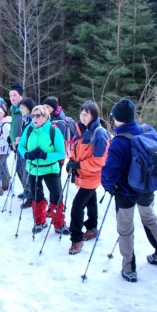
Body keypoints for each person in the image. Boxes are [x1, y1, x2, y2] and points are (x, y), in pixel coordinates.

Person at [101, 98, 157, 283]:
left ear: (117, 118)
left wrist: (110, 188)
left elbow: (109, 171)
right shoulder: (147, 131)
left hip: (125, 192)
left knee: (125, 228)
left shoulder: (119, 142)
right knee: (149, 218)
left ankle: (129, 267)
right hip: (147, 188)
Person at [66, 101, 109, 255]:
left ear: (94, 115)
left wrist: (79, 165)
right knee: (90, 200)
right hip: (84, 174)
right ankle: (92, 227)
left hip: (92, 175)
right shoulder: (81, 129)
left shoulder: (99, 133)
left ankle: (76, 239)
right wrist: (71, 161)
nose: (83, 116)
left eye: (86, 114)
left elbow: (100, 161)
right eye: (81, 113)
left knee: (77, 206)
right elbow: (74, 146)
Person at [18, 104, 68, 234]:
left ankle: (59, 223)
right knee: (36, 196)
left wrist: (45, 155)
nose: (34, 118)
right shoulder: (29, 129)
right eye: (33, 115)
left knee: (56, 196)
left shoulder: (53, 131)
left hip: (50, 169)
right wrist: (27, 155)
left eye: (38, 115)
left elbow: (62, 153)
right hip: (33, 169)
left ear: (46, 117)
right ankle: (39, 221)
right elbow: (21, 146)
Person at [7, 85, 29, 200]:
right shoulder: (13, 109)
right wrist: (10, 138)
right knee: (19, 169)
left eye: (15, 95)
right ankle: (26, 190)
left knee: (25, 170)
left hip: (24, 145)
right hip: (15, 144)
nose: (12, 97)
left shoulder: (24, 109)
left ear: (21, 96)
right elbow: (13, 125)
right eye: (10, 95)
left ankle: (30, 193)